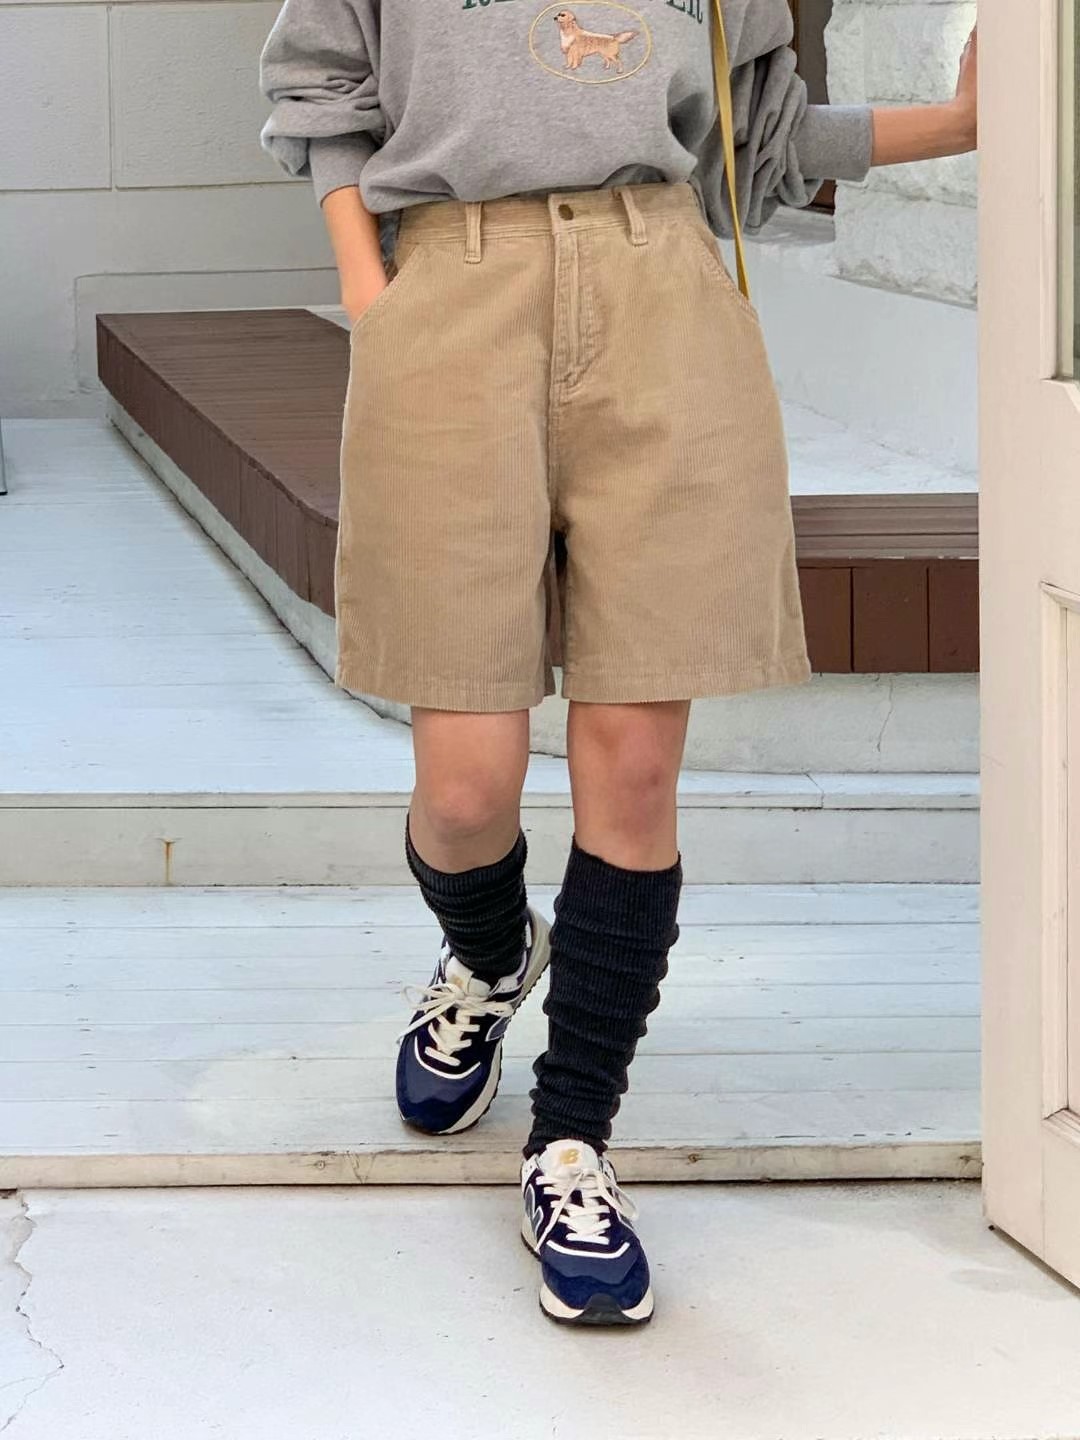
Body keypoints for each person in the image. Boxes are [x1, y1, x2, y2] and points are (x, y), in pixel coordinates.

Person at [259, 0, 977, 1327]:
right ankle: (489, 956)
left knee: (635, 773)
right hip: (451, 293)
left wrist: (961, 124)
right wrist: (373, 293)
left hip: (660, 297)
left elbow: (757, 150)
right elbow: (323, 93)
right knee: (465, 790)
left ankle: (571, 1141)